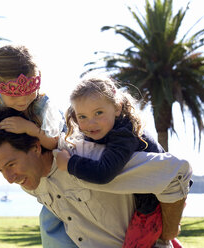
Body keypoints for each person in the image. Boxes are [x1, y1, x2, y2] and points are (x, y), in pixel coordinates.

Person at [0, 109, 193, 248]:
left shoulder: (87, 159)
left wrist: (169, 231)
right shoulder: (31, 182)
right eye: (0, 170)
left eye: (10, 165)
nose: (9, 179)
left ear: (36, 147)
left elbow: (176, 172)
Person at [55, 77, 182, 247]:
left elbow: (104, 173)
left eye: (98, 113)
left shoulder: (124, 134)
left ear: (117, 108)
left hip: (153, 205)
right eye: (82, 116)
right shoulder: (102, 129)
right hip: (143, 201)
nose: (90, 123)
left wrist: (70, 164)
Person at [0, 45, 76, 247]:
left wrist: (31, 129)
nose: (22, 100)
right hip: (43, 178)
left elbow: (55, 142)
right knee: (49, 223)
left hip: (60, 160)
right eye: (14, 95)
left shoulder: (42, 106)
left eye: (29, 91)